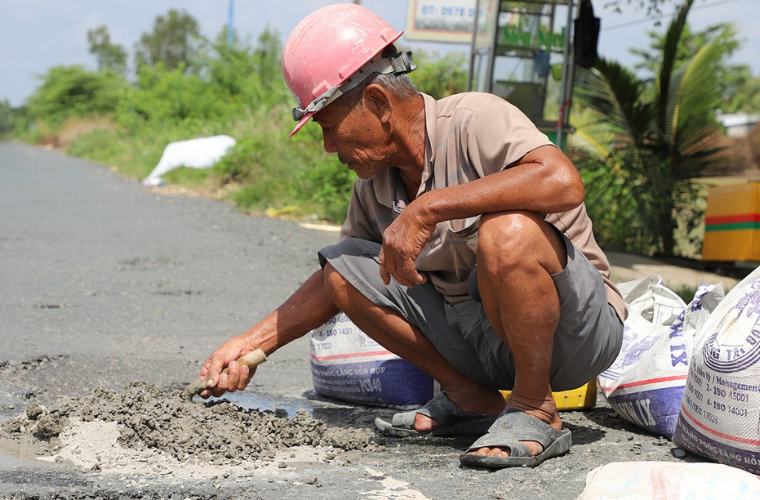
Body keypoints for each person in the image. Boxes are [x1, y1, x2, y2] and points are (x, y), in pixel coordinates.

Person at [198, 3, 626, 469]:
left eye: (328, 125)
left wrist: (428, 208)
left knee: (509, 232)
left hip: (575, 335)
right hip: (481, 343)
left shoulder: (474, 120)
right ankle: (469, 399)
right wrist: (251, 342)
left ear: (379, 103)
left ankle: (535, 408)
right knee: (341, 271)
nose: (327, 146)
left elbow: (563, 182)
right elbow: (339, 282)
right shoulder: (373, 186)